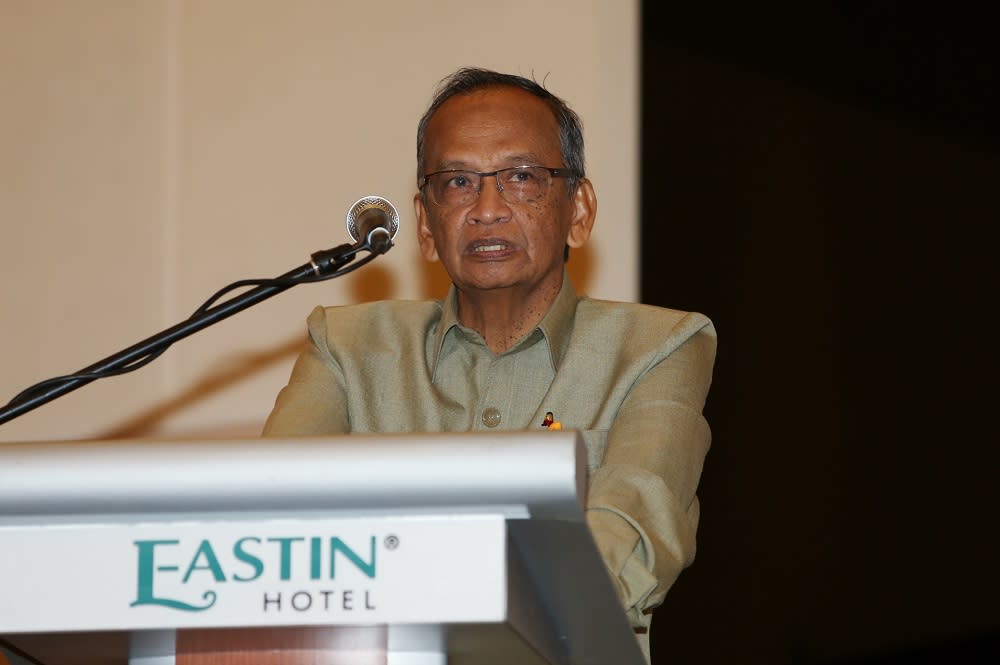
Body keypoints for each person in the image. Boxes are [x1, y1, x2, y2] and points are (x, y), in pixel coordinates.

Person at [263, 67, 717, 659]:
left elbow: (621, 545)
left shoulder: (660, 346)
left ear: (579, 210)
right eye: (456, 182)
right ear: (426, 224)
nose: (486, 209)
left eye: (522, 177)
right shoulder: (347, 348)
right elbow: (272, 532)